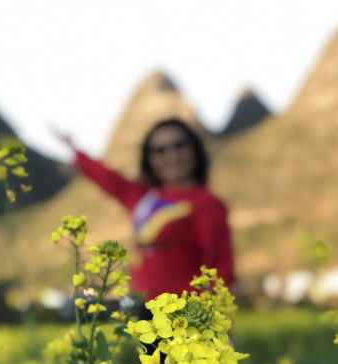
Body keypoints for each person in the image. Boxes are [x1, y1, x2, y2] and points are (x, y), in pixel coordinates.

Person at [53, 117, 235, 307]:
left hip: (185, 315)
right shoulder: (142, 197)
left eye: (179, 145)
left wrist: (216, 320)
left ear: (195, 150)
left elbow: (221, 266)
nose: (171, 156)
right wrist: (72, 147)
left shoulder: (207, 203)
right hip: (143, 312)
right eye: (160, 150)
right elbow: (106, 177)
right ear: (149, 159)